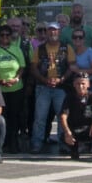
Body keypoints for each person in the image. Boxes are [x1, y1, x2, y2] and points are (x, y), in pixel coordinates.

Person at [27, 23, 71, 153]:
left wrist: (61, 79)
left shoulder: (67, 48)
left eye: (55, 31)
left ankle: (64, 143)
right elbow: (33, 68)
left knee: (62, 116)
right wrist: (44, 80)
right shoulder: (39, 49)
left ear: (59, 32)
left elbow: (71, 66)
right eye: (50, 31)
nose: (53, 33)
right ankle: (37, 143)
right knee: (40, 117)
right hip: (43, 87)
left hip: (61, 87)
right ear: (47, 33)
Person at [0, 24, 28, 153]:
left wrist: (16, 79)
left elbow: (22, 67)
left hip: (16, 88)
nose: (4, 38)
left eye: (7, 35)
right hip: (0, 89)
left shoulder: (16, 50)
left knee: (15, 116)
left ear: (11, 37)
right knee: (2, 117)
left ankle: (14, 142)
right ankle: (2, 142)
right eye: (2, 35)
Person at [59, 71, 92, 161]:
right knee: (63, 135)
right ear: (74, 84)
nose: (80, 86)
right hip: (76, 129)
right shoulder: (69, 97)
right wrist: (67, 132)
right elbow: (63, 116)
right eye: (78, 84)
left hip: (91, 129)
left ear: (88, 84)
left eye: (83, 83)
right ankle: (74, 151)